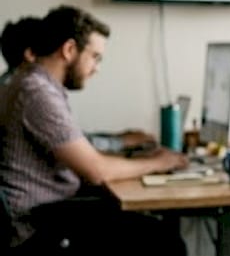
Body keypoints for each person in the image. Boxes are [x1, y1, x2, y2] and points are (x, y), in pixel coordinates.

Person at [0, 5, 189, 256]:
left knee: (144, 230)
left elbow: (82, 153)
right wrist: (159, 162)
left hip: (44, 214)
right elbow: (96, 171)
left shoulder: (30, 83)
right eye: (95, 57)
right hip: (37, 229)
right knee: (164, 248)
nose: (96, 67)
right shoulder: (36, 92)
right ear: (69, 49)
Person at [2, 14, 155, 154]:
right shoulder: (32, 91)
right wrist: (120, 142)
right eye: (47, 46)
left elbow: (65, 135)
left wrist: (115, 137)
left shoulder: (11, 85)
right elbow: (74, 147)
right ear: (30, 54)